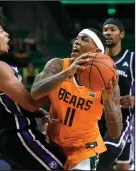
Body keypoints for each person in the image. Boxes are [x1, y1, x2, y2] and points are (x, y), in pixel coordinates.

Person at [0, 4, 65, 170]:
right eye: (1, 31)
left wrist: (40, 112)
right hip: (20, 135)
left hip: (13, 139)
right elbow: (31, 103)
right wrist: (63, 83)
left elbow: (15, 103)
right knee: (62, 166)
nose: (7, 34)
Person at [31, 28, 123, 170]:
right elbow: (35, 92)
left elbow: (115, 132)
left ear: (97, 52)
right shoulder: (58, 65)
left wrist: (109, 102)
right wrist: (67, 72)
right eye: (78, 38)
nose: (77, 42)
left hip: (84, 147)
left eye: (84, 39)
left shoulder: (108, 83)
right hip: (54, 142)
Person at [97, 18, 135, 170]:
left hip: (123, 118)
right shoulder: (96, 60)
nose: (107, 32)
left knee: (115, 160)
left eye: (112, 29)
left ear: (122, 34)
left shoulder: (132, 58)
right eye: (105, 29)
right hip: (97, 118)